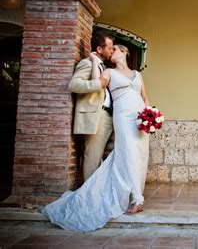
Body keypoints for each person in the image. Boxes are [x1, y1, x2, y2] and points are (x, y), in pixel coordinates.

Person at [42, 44, 151, 231]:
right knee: (129, 153)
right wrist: (93, 61)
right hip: (123, 117)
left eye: (115, 49)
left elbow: (145, 98)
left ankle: (134, 194)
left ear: (124, 52)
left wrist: (151, 115)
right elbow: (96, 84)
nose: (112, 52)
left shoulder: (137, 75)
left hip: (141, 118)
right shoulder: (108, 71)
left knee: (140, 154)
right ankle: (137, 200)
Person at [68, 31, 115, 181]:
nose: (112, 50)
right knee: (93, 157)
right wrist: (98, 84)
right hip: (97, 115)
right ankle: (88, 196)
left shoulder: (102, 66)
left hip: (108, 115)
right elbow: (74, 84)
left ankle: (98, 190)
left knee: (107, 154)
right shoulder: (87, 63)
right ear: (99, 49)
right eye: (110, 48)